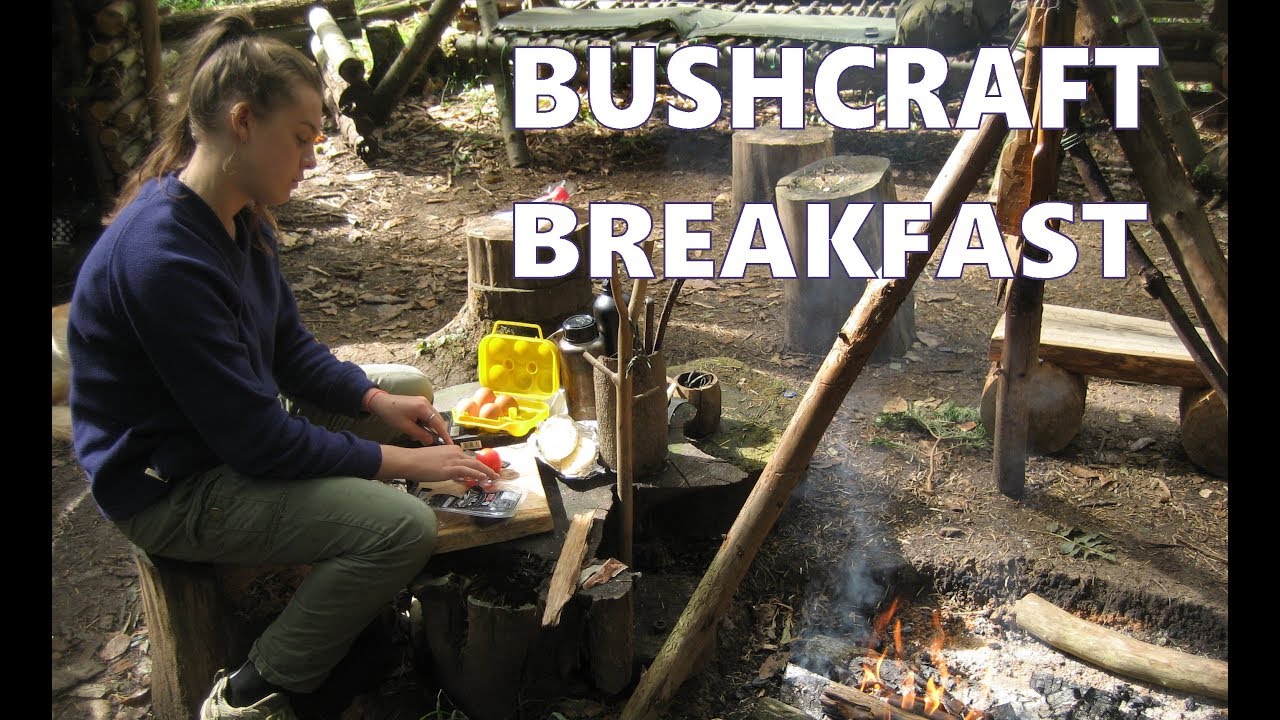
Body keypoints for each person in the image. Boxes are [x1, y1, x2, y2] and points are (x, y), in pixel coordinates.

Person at [65, 9, 499, 720]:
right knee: (405, 527)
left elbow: (289, 351)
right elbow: (259, 443)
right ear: (242, 121)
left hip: (221, 439)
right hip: (173, 487)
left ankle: (351, 603)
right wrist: (412, 468)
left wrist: (371, 404)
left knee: (405, 389)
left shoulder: (239, 214)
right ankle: (254, 691)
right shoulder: (162, 258)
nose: (312, 157)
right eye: (301, 138)